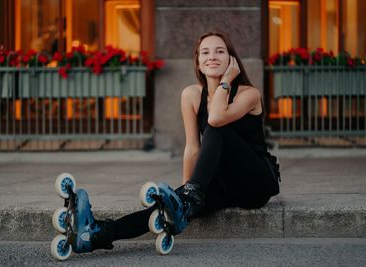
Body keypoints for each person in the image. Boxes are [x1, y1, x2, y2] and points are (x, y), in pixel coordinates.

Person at [87, 31, 280, 250]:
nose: (212, 56)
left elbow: (216, 118)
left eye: (220, 51)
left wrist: (226, 81)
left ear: (231, 60)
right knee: (167, 206)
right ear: (198, 62)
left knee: (215, 130)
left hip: (256, 183)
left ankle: (191, 195)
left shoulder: (249, 94)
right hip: (223, 183)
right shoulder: (191, 94)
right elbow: (192, 148)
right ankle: (100, 234)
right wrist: (184, 194)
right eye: (205, 52)